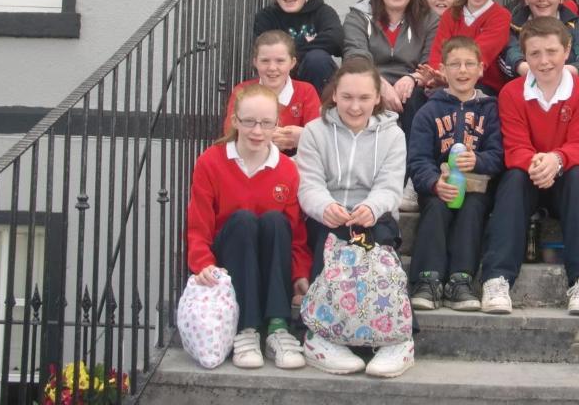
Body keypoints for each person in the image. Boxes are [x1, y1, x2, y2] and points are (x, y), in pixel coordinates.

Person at [296, 57, 414, 377]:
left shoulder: (393, 134)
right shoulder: (313, 132)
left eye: (364, 98)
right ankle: (321, 338)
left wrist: (372, 208)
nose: (355, 106)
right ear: (334, 94)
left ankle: (398, 339)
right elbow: (308, 184)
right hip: (328, 216)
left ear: (377, 97)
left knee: (376, 258)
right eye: (347, 97)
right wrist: (324, 207)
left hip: (372, 218)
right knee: (330, 251)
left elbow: (390, 186)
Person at [186, 83, 312, 370]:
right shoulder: (211, 162)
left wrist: (300, 274)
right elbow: (198, 225)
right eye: (249, 122)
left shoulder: (287, 169)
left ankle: (278, 327)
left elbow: (295, 236)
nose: (257, 131)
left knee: (275, 221)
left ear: (278, 124)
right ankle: (246, 328)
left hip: (269, 260)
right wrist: (202, 263)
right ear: (235, 122)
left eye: (266, 123)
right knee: (243, 220)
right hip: (230, 259)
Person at [480, 17, 579, 315]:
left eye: (551, 52)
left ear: (568, 50)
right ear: (525, 57)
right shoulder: (511, 93)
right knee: (513, 180)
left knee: (578, 178)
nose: (544, 61)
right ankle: (496, 278)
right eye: (535, 54)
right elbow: (514, 145)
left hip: (564, 175)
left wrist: (556, 159)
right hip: (530, 173)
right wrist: (539, 162)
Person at [407, 37, 504, 311]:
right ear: (443, 69)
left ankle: (461, 280)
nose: (462, 70)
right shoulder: (428, 111)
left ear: (481, 69)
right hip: (439, 186)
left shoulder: (491, 110)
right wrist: (433, 183)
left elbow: (499, 154)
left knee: (473, 209)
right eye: (455, 64)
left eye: (469, 64)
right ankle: (427, 280)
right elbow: (418, 159)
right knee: (436, 209)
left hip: (477, 188)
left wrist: (479, 159)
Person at [342, 0, 439, 135]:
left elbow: (430, 62)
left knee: (418, 99)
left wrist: (412, 78)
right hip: (368, 82)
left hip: (412, 88)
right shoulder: (358, 16)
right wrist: (377, 83)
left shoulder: (430, 19)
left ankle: (414, 163)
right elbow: (355, 56)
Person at [423, 0, 512, 95]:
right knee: (415, 98)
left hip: (483, 86)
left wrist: (447, 76)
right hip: (446, 80)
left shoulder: (501, 16)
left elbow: (480, 55)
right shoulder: (450, 14)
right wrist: (435, 73)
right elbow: (438, 50)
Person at [223, 31, 321, 156]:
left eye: (280, 61)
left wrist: (303, 137)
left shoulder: (306, 91)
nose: (272, 68)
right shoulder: (242, 91)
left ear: (292, 63)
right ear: (255, 62)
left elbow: (320, 138)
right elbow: (230, 133)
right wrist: (268, 137)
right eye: (265, 61)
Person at [253, 0, 343, 95]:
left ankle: (320, 114)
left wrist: (289, 50)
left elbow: (337, 40)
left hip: (316, 82)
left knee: (317, 59)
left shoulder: (323, 12)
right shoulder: (266, 17)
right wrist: (307, 41)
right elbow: (263, 53)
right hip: (280, 82)